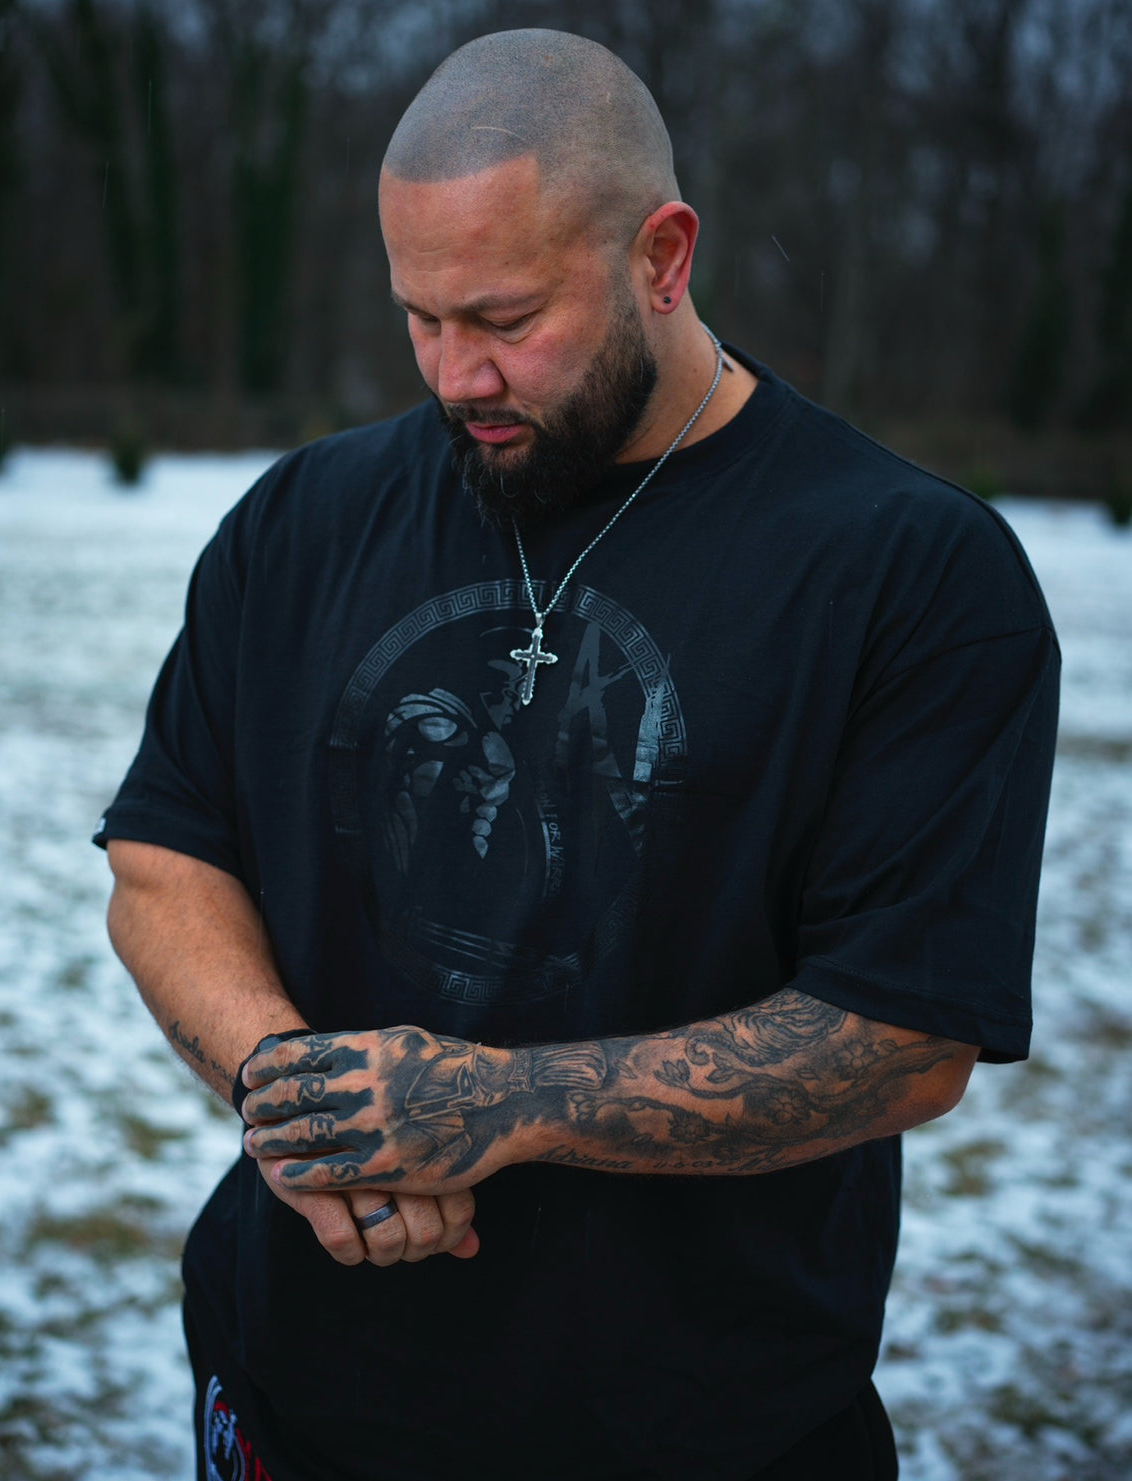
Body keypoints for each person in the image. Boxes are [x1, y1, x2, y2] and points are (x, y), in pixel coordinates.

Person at [96, 28, 1059, 1481]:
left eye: (502, 316)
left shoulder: (907, 572)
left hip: (693, 1427)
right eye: (417, 317)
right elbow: (165, 857)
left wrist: (483, 1108)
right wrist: (304, 1096)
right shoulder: (301, 519)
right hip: (291, 1394)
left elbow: (904, 1035)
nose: (452, 374)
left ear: (662, 257)